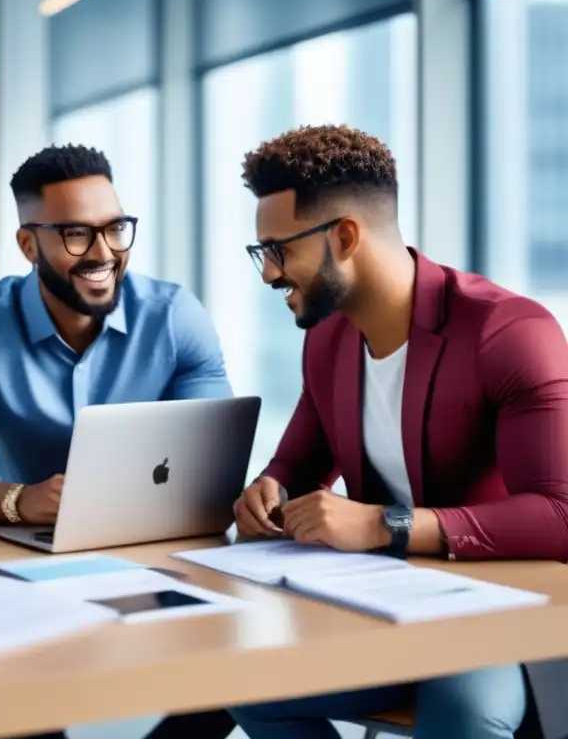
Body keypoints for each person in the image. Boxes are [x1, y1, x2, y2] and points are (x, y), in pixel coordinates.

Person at [228, 125, 568, 739]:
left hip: (493, 611)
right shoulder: (328, 342)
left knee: (464, 717)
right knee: (243, 682)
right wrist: (268, 491)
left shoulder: (508, 331)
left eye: (278, 250)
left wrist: (386, 524)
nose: (268, 274)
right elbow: (295, 466)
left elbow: (561, 513)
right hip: (378, 605)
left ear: (346, 236)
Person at [0, 144, 235, 739]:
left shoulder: (175, 315)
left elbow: (213, 457)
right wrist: (18, 500)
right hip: (26, 569)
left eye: (115, 229)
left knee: (240, 679)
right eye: (77, 235)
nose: (104, 253)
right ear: (29, 244)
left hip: (162, 560)